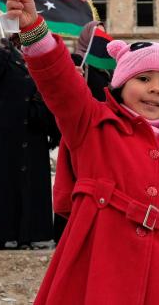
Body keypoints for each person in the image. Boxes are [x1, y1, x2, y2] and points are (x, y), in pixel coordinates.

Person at [4, 0, 159, 304]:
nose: (155, 90)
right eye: (143, 78)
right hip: (93, 273)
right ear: (121, 84)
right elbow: (61, 85)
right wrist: (34, 30)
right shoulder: (93, 123)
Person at [0, 35, 60, 249]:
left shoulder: (41, 59)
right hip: (3, 131)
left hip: (33, 130)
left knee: (28, 183)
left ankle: (26, 235)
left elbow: (52, 89)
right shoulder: (0, 54)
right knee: (1, 182)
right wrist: (3, 53)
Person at [52, 21, 114, 243]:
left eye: (104, 33)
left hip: (103, 133)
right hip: (80, 130)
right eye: (97, 33)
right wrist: (72, 76)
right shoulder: (77, 61)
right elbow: (59, 92)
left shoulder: (107, 67)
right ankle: (67, 235)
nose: (101, 37)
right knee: (76, 182)